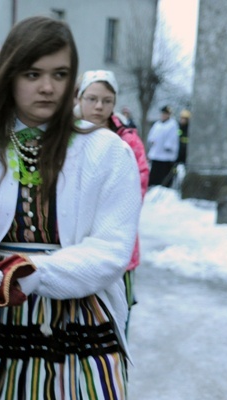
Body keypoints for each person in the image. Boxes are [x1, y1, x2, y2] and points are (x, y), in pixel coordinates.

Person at [0, 16, 141, 400]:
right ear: (10, 75)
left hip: (74, 318)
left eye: (60, 74)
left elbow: (111, 249)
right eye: (33, 74)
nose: (48, 87)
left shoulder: (106, 152)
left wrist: (30, 272)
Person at [76, 69, 149, 333]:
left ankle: (115, 372)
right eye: (92, 98)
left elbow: (137, 187)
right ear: (79, 98)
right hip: (72, 241)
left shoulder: (127, 140)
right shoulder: (64, 136)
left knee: (116, 319)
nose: (99, 106)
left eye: (106, 101)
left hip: (118, 242)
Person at [147, 105, 180, 187]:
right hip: (156, 153)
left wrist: (168, 146)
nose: (164, 115)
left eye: (166, 114)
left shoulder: (172, 124)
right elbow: (152, 135)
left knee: (163, 173)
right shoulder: (157, 124)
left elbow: (173, 137)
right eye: (163, 114)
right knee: (155, 172)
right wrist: (152, 141)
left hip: (166, 155)